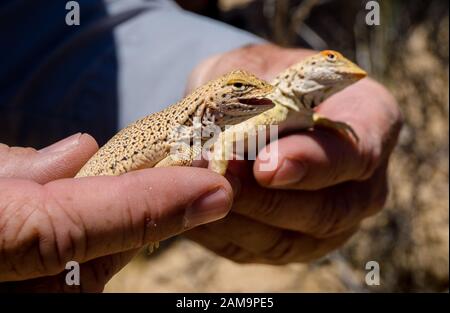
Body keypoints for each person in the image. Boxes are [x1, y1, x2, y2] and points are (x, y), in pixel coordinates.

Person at [0, 0, 402, 292]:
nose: (263, 94)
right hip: (91, 178)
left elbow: (36, 25)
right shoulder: (185, 139)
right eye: (242, 90)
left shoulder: (200, 127)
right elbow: (165, 170)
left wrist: (206, 61)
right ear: (214, 101)